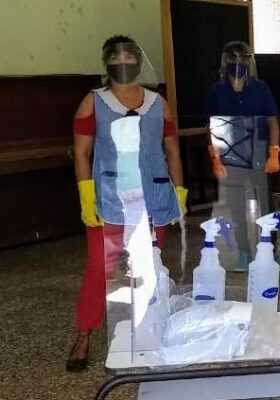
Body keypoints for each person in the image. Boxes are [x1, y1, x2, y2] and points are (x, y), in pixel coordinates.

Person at [68, 35, 186, 372]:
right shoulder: (94, 102)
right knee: (99, 268)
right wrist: (86, 195)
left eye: (128, 57)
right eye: (115, 58)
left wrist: (179, 193)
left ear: (138, 60)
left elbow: (172, 152)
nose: (122, 62)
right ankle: (84, 334)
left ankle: (145, 330)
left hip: (154, 199)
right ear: (106, 63)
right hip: (110, 200)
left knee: (149, 268)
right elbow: (81, 153)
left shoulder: (158, 103)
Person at [206, 41, 280, 270]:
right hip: (230, 155)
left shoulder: (260, 88)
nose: (237, 63)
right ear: (224, 62)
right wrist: (214, 157)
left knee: (266, 205)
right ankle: (243, 252)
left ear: (250, 61)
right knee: (236, 205)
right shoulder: (217, 91)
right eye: (232, 59)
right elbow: (210, 125)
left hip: (259, 154)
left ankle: (270, 250)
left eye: (242, 58)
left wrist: (274, 151)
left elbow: (272, 121)